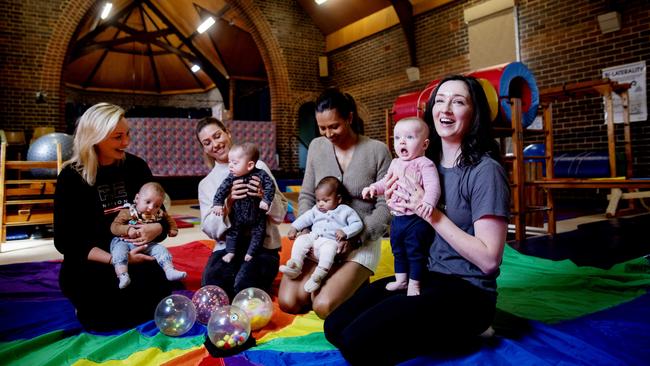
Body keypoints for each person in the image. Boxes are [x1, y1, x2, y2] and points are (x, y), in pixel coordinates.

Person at [324, 75, 510, 365]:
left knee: (355, 344)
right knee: (334, 326)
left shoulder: (485, 171)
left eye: (458, 102)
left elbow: (488, 260)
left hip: (468, 292)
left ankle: (470, 328)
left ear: (473, 114)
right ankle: (443, 330)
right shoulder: (424, 161)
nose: (446, 108)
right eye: (441, 100)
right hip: (423, 275)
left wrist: (430, 212)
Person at [54, 103, 173, 331]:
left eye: (128, 134)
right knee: (102, 319)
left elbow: (161, 216)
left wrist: (156, 229)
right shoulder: (70, 177)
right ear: (95, 137)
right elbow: (65, 241)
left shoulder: (137, 167)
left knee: (160, 300)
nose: (126, 142)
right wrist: (116, 260)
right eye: (118, 137)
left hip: (134, 254)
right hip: (93, 262)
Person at [277, 88, 392, 319]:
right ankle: (347, 283)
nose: (328, 133)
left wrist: (357, 239)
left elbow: (386, 206)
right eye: (322, 128)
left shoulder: (377, 150)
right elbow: (308, 195)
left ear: (349, 118)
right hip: (320, 238)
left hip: (360, 239)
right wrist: (306, 231)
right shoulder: (317, 147)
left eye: (334, 126)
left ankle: (356, 278)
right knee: (290, 302)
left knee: (322, 306)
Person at [196, 117, 287, 299]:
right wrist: (226, 205)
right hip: (228, 247)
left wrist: (264, 197)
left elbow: (281, 213)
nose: (215, 144)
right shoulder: (206, 184)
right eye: (207, 142)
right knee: (213, 292)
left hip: (262, 246)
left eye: (217, 136)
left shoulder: (258, 166)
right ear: (204, 149)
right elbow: (210, 230)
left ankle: (256, 278)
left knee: (244, 289)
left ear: (227, 133)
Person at [362, 116, 440, 296]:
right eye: (397, 138)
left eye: (410, 137)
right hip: (397, 218)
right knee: (397, 250)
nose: (402, 142)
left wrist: (428, 202)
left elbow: (433, 186)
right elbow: (386, 181)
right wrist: (374, 188)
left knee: (415, 252)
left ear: (424, 144)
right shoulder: (395, 163)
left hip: (416, 219)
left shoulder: (425, 164)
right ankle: (401, 280)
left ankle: (415, 283)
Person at [279, 176, 364, 293]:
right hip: (314, 237)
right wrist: (294, 227)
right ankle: (295, 265)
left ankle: (318, 275)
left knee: (330, 250)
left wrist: (346, 232)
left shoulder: (345, 211)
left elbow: (357, 224)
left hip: (330, 240)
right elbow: (305, 218)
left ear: (338, 199)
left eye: (325, 200)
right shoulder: (315, 210)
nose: (320, 204)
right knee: (301, 240)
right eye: (318, 200)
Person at [110, 182, 186, 289]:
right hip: (124, 242)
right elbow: (114, 227)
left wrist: (173, 229)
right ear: (137, 198)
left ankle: (169, 270)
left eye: (156, 205)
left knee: (161, 250)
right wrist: (127, 229)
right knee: (118, 252)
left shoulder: (158, 213)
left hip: (147, 244)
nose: (151, 208)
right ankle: (122, 275)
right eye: (148, 202)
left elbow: (169, 219)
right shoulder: (127, 212)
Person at [211, 142, 275, 264]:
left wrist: (266, 200)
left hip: (257, 215)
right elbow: (222, 189)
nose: (230, 166)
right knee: (232, 232)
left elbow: (270, 186)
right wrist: (218, 203)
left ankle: (251, 253)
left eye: (234, 163)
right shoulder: (232, 176)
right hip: (237, 215)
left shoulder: (261, 174)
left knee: (259, 233)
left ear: (250, 165)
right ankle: (230, 251)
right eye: (229, 162)